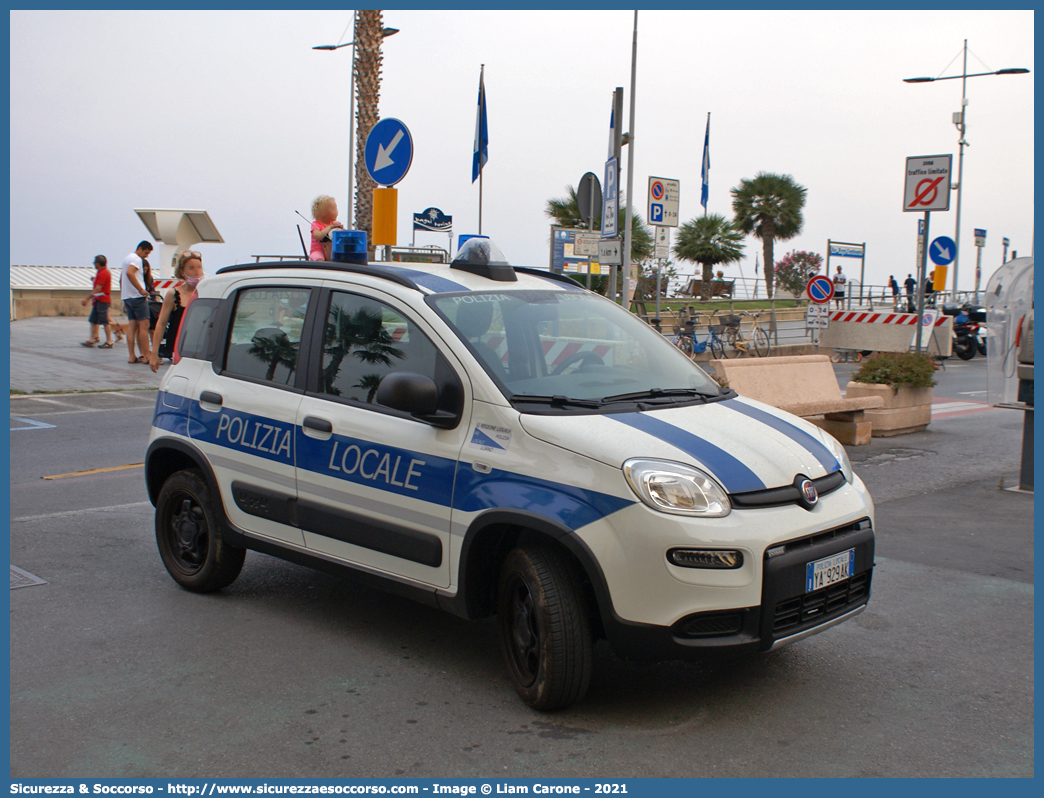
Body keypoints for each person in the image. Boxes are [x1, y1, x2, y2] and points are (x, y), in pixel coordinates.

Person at [149, 250, 203, 373]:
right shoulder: (174, 294)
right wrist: (154, 353)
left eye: (199, 267)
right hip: (179, 347)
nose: (196, 271)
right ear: (182, 272)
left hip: (200, 348)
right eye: (191, 268)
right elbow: (161, 324)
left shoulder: (206, 292)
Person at [120, 240, 154, 364]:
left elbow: (122, 278)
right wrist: (141, 289)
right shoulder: (136, 259)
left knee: (132, 326)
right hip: (137, 297)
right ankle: (146, 355)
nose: (146, 256)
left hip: (127, 297)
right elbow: (130, 273)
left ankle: (132, 355)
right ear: (140, 248)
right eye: (146, 253)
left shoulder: (126, 258)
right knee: (144, 326)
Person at [80, 255, 115, 348]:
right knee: (93, 320)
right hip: (98, 300)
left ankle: (108, 341)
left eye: (95, 263)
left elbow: (98, 288)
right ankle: (93, 337)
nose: (94, 264)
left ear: (98, 263)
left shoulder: (103, 273)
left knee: (105, 321)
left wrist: (87, 298)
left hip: (102, 300)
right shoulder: (101, 273)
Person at [309, 195, 344, 261]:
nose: (337, 212)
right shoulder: (316, 224)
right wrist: (330, 227)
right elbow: (317, 236)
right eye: (334, 209)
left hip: (330, 251)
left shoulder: (333, 223)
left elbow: (345, 235)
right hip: (318, 251)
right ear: (323, 213)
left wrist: (340, 227)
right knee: (320, 259)